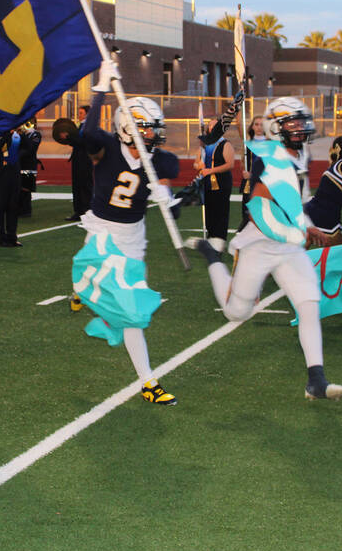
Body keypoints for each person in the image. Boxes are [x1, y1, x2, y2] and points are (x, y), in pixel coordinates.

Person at [188, 95, 342, 401]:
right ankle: (211, 256)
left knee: (309, 303)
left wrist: (305, 225)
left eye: (301, 122)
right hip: (260, 243)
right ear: (276, 128)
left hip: (288, 246)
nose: (300, 128)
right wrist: (303, 228)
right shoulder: (268, 160)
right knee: (236, 313)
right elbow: (267, 199)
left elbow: (295, 202)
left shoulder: (301, 155)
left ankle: (316, 379)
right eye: (292, 123)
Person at [74, 59, 180, 405]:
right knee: (132, 311)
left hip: (134, 235)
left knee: (134, 305)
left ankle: (97, 304)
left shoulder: (159, 159)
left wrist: (168, 198)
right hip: (103, 233)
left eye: (154, 129)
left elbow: (169, 200)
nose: (153, 135)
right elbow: (86, 134)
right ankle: (148, 381)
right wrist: (101, 86)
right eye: (147, 129)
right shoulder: (105, 147)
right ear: (127, 129)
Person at [193, 128, 235, 250]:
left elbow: (230, 164)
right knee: (209, 212)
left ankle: (219, 241)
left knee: (220, 212)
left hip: (222, 182)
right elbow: (195, 163)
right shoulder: (203, 146)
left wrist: (211, 171)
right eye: (210, 127)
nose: (212, 129)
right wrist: (198, 165)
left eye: (214, 126)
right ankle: (211, 239)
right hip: (206, 182)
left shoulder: (225, 144)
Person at [0, 128, 24, 247]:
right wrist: (5, 136)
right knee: (1, 207)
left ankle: (12, 236)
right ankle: (2, 237)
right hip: (3, 174)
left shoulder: (18, 136)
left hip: (15, 173)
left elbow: (29, 148)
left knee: (13, 206)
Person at [67, 105, 93, 221]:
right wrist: (67, 138)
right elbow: (76, 142)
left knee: (85, 185)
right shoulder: (80, 125)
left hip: (85, 159)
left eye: (81, 113)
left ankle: (87, 211)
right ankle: (78, 211)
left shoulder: (89, 126)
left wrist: (69, 137)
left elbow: (83, 142)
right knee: (77, 185)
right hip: (78, 158)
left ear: (87, 114)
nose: (79, 115)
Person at [17, 119, 42, 218]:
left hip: (29, 164)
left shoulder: (36, 135)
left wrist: (22, 135)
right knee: (18, 186)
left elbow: (31, 148)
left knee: (26, 188)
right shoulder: (21, 134)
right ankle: (19, 208)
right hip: (19, 163)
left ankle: (26, 210)